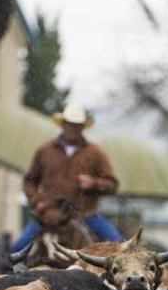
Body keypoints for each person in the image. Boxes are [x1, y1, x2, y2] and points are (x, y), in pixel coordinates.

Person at [11, 103, 122, 253]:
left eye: (77, 125)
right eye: (70, 124)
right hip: (47, 215)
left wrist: (94, 183)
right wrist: (38, 202)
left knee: (119, 246)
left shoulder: (96, 153)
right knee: (16, 249)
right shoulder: (44, 150)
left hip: (84, 214)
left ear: (82, 127)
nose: (72, 128)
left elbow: (112, 184)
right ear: (63, 124)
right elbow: (29, 181)